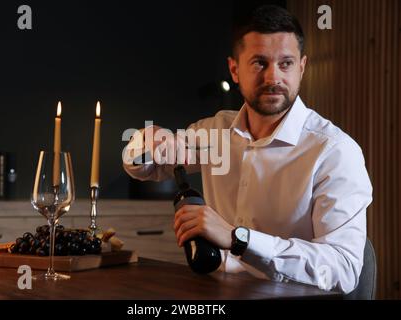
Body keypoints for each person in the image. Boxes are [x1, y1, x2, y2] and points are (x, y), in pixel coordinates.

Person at [122, 5, 372, 294]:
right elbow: (141, 167)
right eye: (259, 63)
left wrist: (239, 238)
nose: (273, 78)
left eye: (286, 63)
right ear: (234, 70)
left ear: (301, 67)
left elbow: (343, 268)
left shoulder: (334, 151)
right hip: (213, 294)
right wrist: (150, 138)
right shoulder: (214, 134)